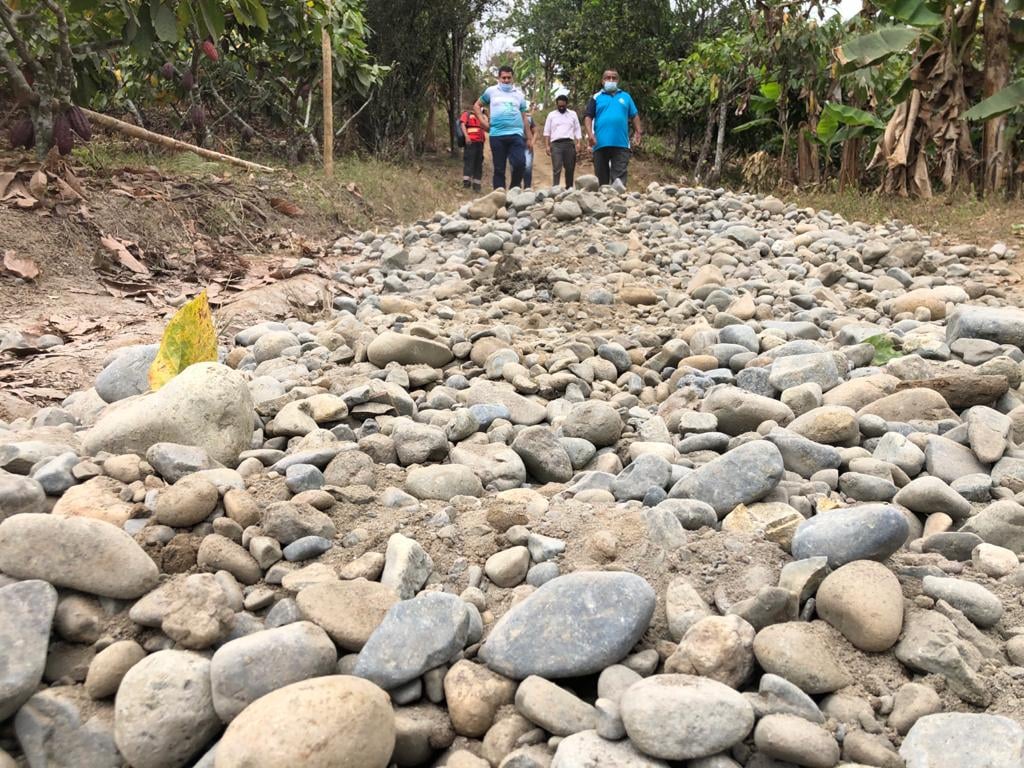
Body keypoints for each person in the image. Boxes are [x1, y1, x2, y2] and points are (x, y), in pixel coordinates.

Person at [474, 66, 533, 189]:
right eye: (503, 78)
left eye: (508, 78)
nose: (506, 80)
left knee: (520, 163)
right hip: (497, 135)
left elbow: (524, 117)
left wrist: (529, 137)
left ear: (512, 78)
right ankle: (499, 195)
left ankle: (514, 188)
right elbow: (477, 106)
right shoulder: (491, 91)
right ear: (499, 78)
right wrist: (483, 122)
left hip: (516, 134)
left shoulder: (519, 95)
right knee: (499, 169)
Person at [584, 69, 642, 187]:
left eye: (614, 78)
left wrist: (638, 131)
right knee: (602, 180)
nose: (611, 80)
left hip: (621, 144)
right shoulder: (596, 97)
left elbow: (634, 115)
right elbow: (588, 117)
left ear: (618, 80)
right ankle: (603, 198)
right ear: (602, 81)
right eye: (608, 77)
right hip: (600, 144)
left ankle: (618, 199)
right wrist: (590, 134)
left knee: (619, 181)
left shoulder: (626, 97)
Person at [543, 94, 583, 188]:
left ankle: (569, 188)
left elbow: (577, 129)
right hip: (556, 145)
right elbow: (547, 131)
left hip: (569, 144)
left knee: (570, 168)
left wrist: (578, 143)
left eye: (563, 106)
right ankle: (555, 188)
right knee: (557, 167)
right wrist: (547, 146)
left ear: (566, 104)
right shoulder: (551, 115)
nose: (561, 107)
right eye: (559, 106)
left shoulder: (573, 114)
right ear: (557, 104)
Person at [458, 108, 486, 191]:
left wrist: (485, 116)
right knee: (469, 162)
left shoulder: (482, 116)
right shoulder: (467, 114)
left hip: (480, 142)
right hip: (471, 141)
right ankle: (466, 183)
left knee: (478, 163)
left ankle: (476, 185)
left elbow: (486, 126)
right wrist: (466, 136)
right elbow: (462, 124)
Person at [523, 112, 536, 188]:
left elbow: (535, 132)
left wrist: (532, 142)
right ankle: (516, 187)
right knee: (514, 166)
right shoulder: (511, 117)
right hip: (514, 144)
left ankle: (527, 188)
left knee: (528, 166)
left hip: (527, 144)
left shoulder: (529, 118)